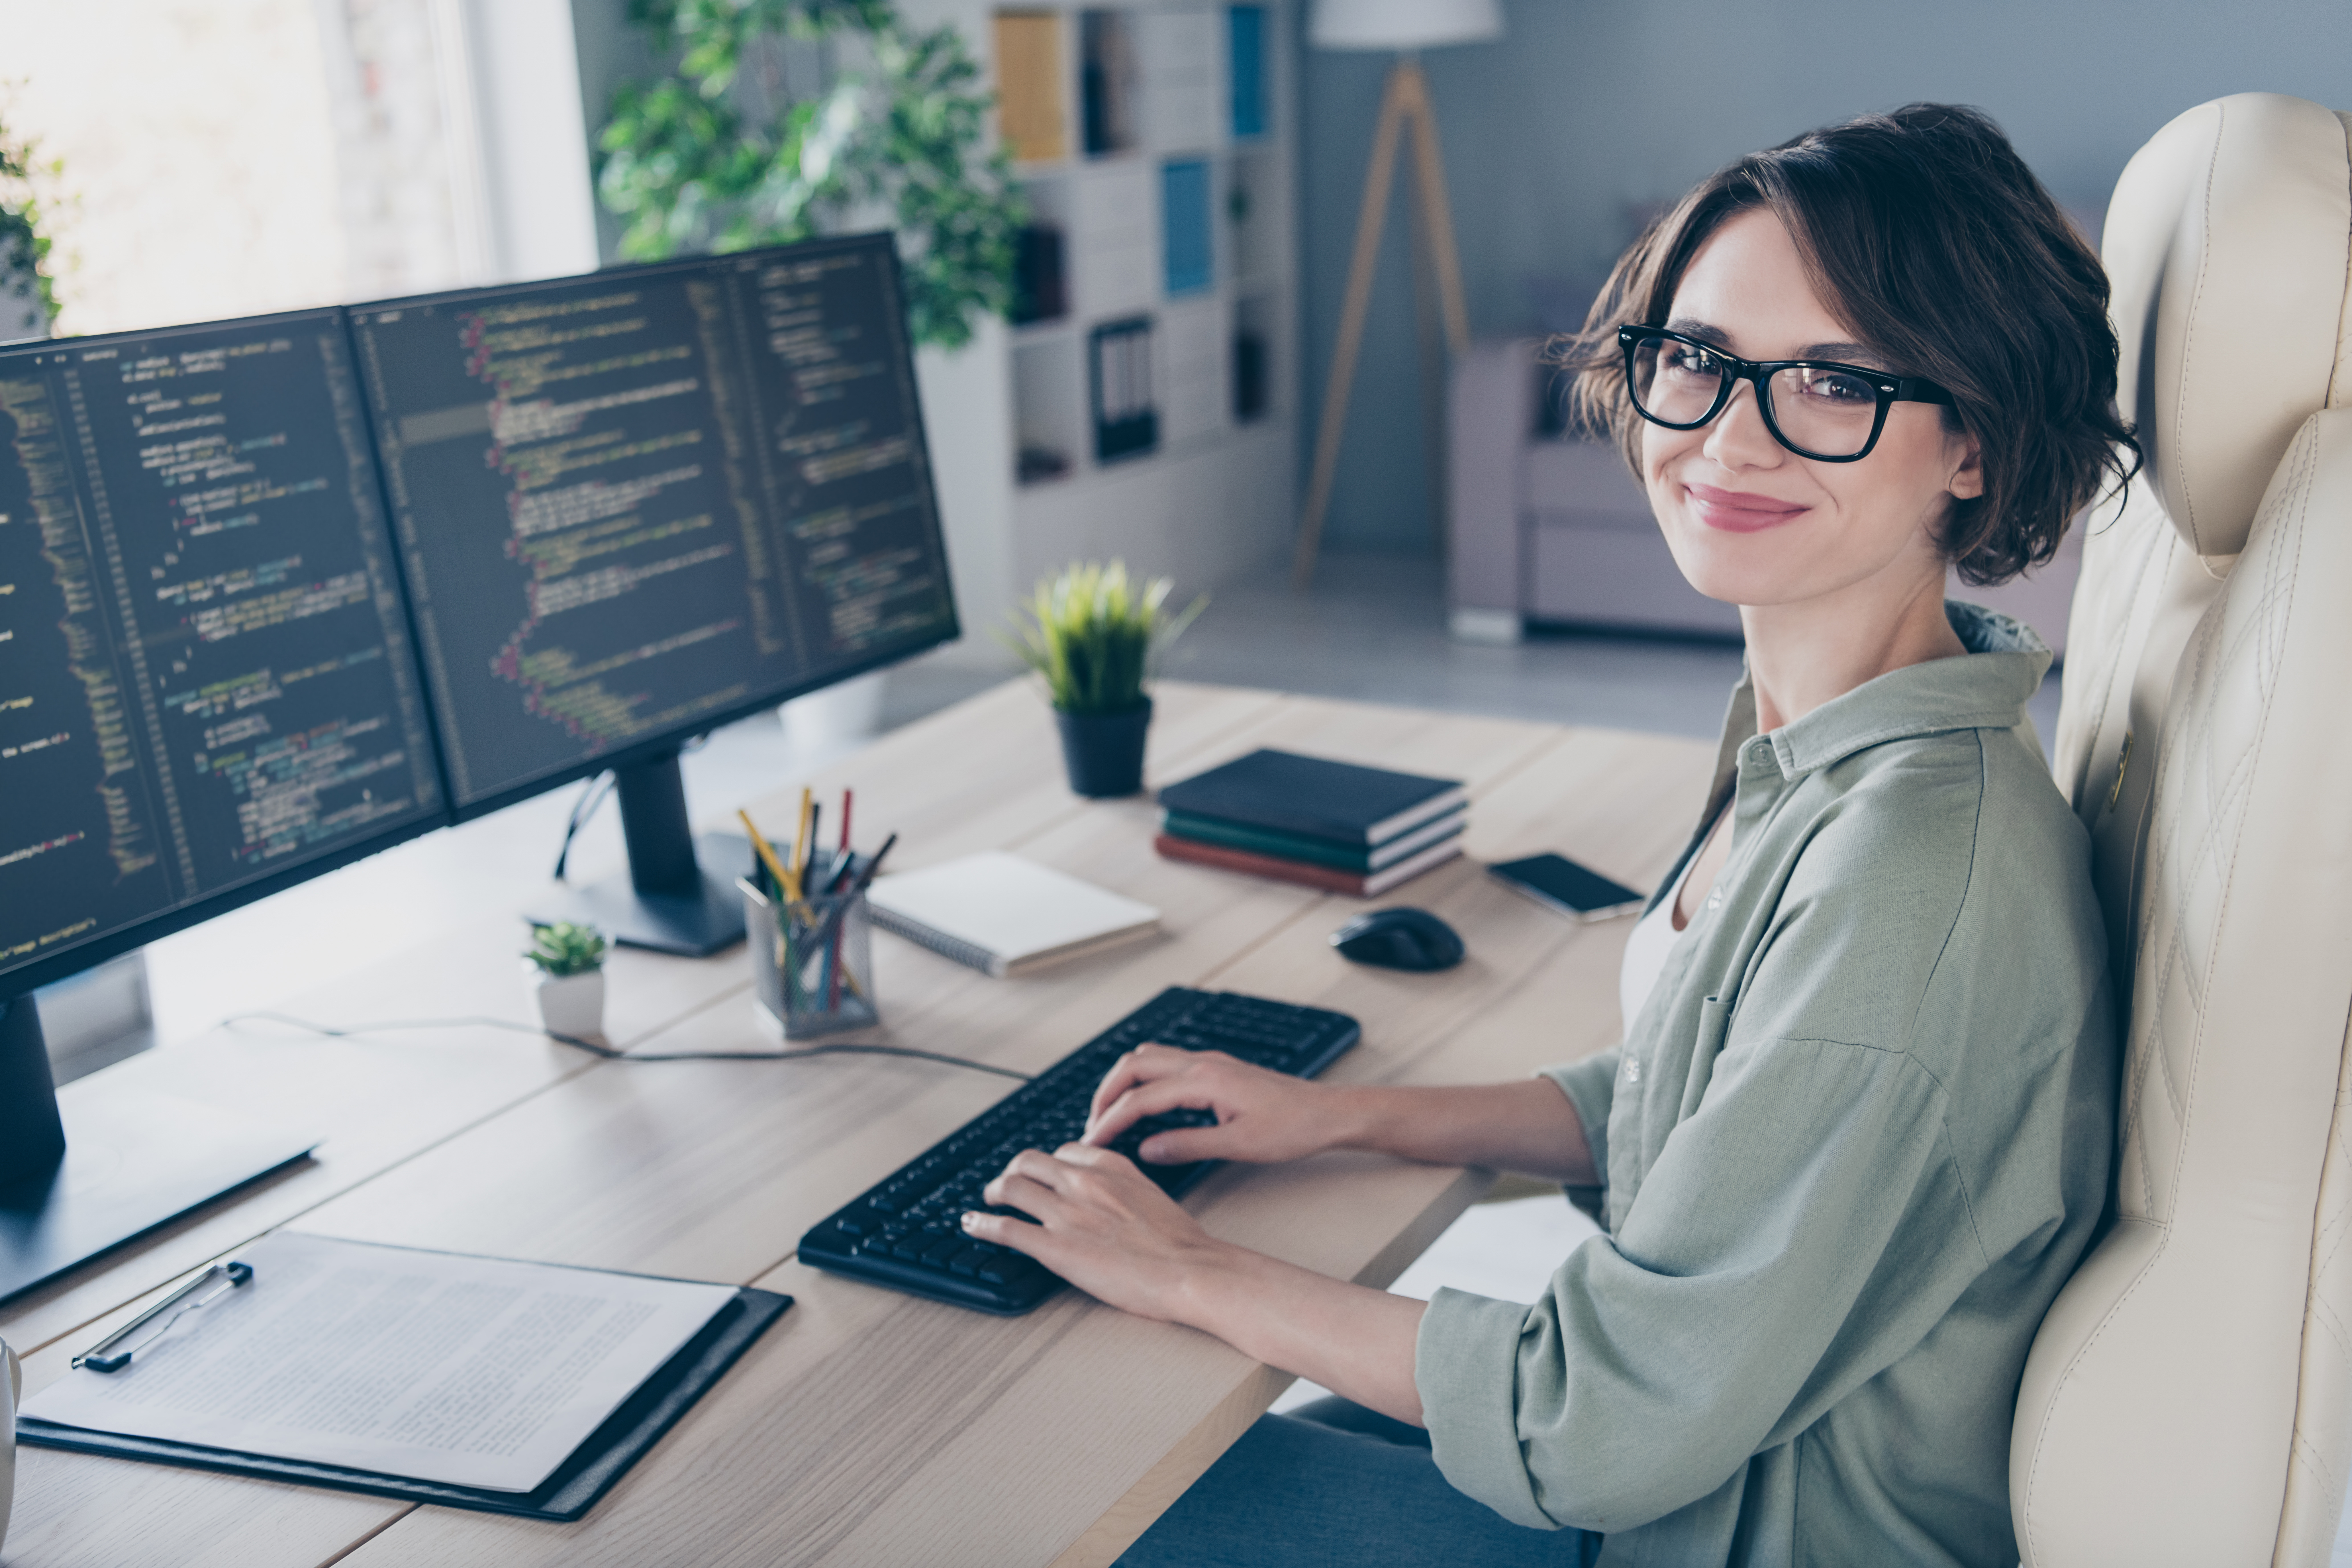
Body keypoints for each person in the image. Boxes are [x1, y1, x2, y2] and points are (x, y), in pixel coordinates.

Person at [961, 103, 2130, 1567]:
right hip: (1678, 1468)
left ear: (1974, 439)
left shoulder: (1910, 879)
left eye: (1832, 381)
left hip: (1716, 1529)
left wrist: (1188, 1262)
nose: (1729, 435)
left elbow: (1598, 1420)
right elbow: (1709, 1095)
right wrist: (1346, 1117)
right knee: (1135, 1424)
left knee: (1025, 1494)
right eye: (1697, 360)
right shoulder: (1836, 743)